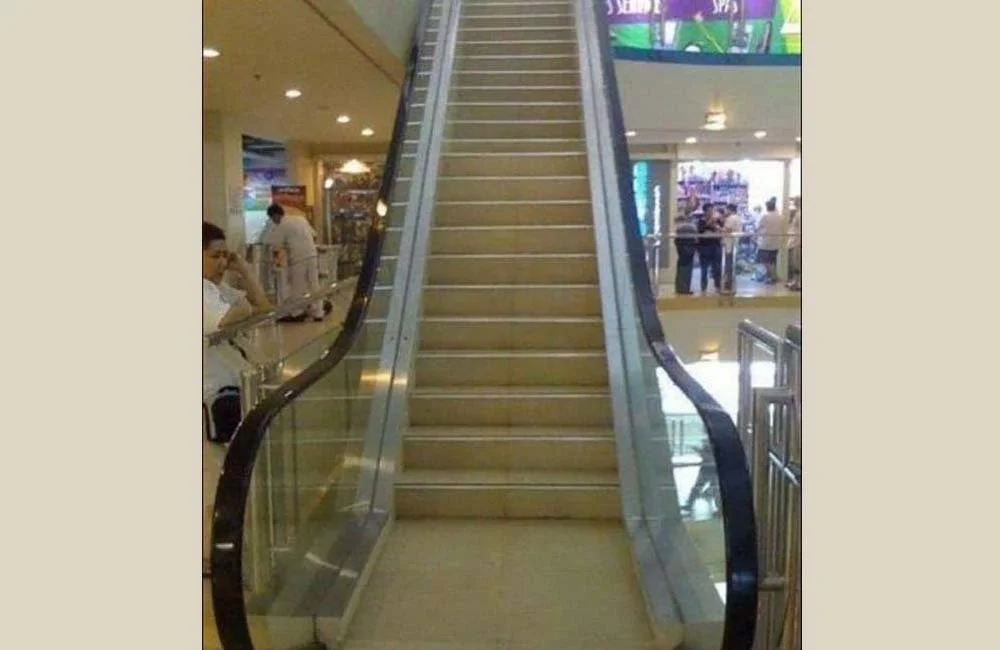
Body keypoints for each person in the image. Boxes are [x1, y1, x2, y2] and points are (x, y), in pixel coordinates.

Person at [203, 221, 270, 578]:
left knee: (226, 474)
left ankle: (225, 553)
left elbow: (262, 305)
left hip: (229, 388)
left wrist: (243, 268)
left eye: (222, 256)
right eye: (214, 256)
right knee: (215, 478)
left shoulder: (215, 290)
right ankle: (213, 555)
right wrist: (239, 299)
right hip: (209, 396)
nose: (220, 263)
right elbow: (232, 317)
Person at [262, 204, 324, 322]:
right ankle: (318, 312)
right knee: (314, 284)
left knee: (298, 286)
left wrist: (275, 258)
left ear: (275, 215)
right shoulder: (300, 219)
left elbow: (274, 244)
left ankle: (297, 312)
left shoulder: (282, 224)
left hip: (298, 258)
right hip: (312, 254)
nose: (273, 221)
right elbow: (314, 235)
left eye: (272, 218)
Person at [756, 197, 785, 284]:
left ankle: (770, 276)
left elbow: (759, 227)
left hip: (766, 242)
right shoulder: (780, 216)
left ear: (767, 207)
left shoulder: (765, 216)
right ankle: (773, 276)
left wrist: (756, 235)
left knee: (764, 260)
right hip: (776, 241)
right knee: (772, 260)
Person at [697, 203, 723, 294]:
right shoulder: (701, 220)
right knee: (704, 268)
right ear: (705, 211)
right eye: (709, 210)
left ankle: (718, 286)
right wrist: (709, 223)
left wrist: (715, 225)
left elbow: (721, 230)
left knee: (717, 267)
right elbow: (700, 231)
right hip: (704, 247)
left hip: (716, 246)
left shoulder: (718, 220)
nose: (711, 212)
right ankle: (703, 288)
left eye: (712, 210)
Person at [673, 214, 698, 295]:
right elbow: (695, 237)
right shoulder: (691, 227)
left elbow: (677, 240)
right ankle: (685, 288)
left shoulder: (679, 228)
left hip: (681, 250)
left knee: (680, 268)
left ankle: (680, 288)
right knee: (687, 270)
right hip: (689, 249)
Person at [722, 203, 742, 293]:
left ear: (730, 209)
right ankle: (731, 282)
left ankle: (728, 283)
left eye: (726, 209)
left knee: (728, 264)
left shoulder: (730, 218)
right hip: (735, 242)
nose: (725, 211)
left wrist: (718, 228)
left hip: (729, 243)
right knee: (731, 263)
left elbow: (728, 229)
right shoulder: (738, 217)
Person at [787, 196, 802, 291]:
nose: (794, 203)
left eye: (796, 201)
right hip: (793, 241)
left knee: (797, 263)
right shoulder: (797, 213)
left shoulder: (800, 214)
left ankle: (798, 282)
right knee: (794, 263)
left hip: (798, 242)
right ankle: (795, 281)